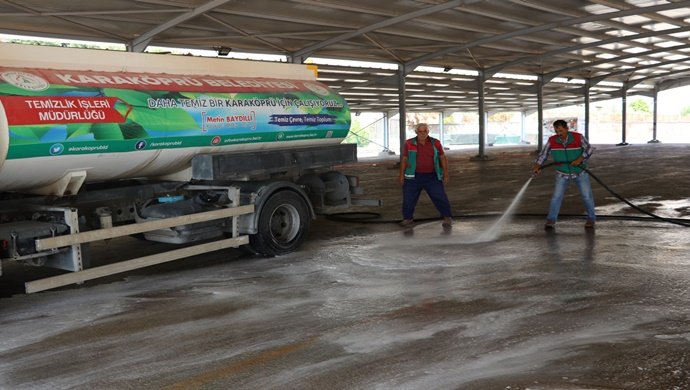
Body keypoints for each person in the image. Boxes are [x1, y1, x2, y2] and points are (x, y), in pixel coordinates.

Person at [533, 119, 596, 229]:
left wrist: (580, 159)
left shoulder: (578, 137)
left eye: (561, 131)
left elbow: (590, 149)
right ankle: (551, 220)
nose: (559, 134)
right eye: (556, 131)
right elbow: (544, 154)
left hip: (579, 172)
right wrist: (537, 165)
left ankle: (591, 219)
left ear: (567, 129)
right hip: (562, 173)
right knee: (556, 197)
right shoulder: (552, 140)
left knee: (587, 196)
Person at [399, 123, 453, 227]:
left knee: (439, 196)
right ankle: (408, 218)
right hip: (413, 176)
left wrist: (446, 174)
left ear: (428, 132)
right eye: (420, 131)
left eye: (425, 131)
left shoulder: (435, 143)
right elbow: (404, 159)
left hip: (432, 176)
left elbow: (442, 157)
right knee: (409, 198)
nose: (423, 134)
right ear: (416, 132)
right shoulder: (409, 143)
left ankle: (447, 217)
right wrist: (401, 175)